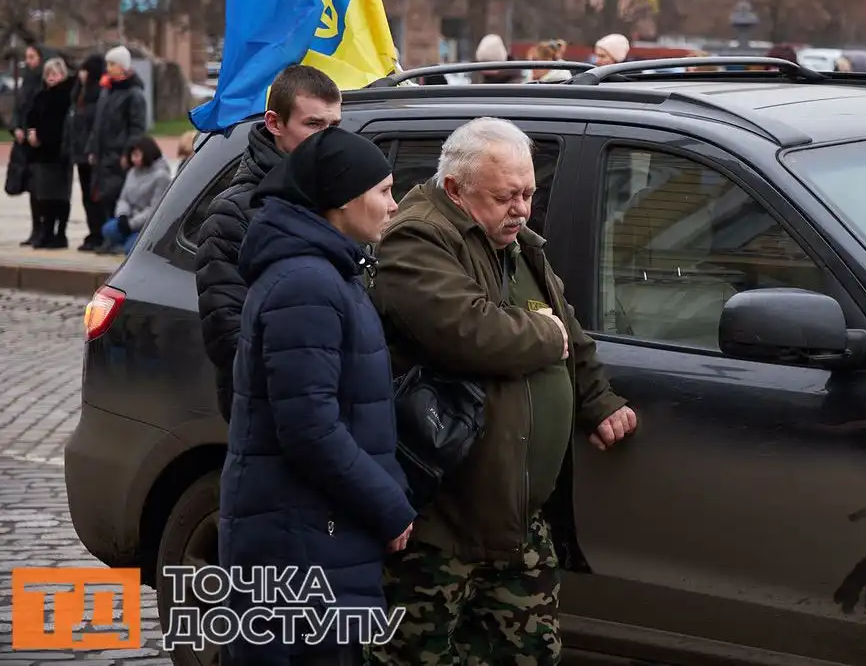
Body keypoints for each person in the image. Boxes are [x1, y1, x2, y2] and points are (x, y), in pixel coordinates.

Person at [368, 117, 636, 666]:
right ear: (455, 189)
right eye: (505, 196)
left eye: (529, 193)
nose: (521, 209)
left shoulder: (515, 243)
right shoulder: (418, 237)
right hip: (442, 522)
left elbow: (570, 328)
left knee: (530, 653)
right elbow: (470, 333)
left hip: (515, 519)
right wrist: (546, 336)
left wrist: (598, 401)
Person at [220, 126, 416, 666]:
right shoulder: (307, 284)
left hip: (319, 528)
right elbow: (310, 427)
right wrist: (387, 504)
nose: (394, 205)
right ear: (341, 198)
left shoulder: (330, 271)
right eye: (384, 191)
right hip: (298, 538)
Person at [195, 65, 342, 423]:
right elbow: (229, 335)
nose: (327, 138)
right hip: (275, 413)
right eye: (313, 124)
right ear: (275, 123)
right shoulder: (234, 212)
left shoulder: (342, 196)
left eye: (334, 126)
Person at [85, 45, 147, 239]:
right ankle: (107, 236)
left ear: (123, 66)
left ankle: (117, 237)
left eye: (112, 64)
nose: (108, 68)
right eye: (108, 64)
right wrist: (92, 149)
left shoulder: (133, 94)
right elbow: (97, 124)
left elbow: (137, 128)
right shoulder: (106, 91)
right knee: (103, 197)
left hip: (119, 155)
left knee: (117, 197)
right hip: (103, 154)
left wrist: (128, 153)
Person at [22, 57, 77, 248]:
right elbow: (31, 117)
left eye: (55, 74)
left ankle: (60, 233)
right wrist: (31, 132)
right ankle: (46, 231)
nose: (51, 77)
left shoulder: (66, 97)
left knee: (60, 196)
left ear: (62, 75)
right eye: (48, 74)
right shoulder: (41, 96)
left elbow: (61, 126)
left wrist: (42, 136)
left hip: (59, 153)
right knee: (44, 196)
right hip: (42, 154)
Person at [99, 135, 171, 256]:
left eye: (137, 155)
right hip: (129, 217)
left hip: (147, 225)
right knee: (108, 229)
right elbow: (124, 198)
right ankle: (122, 242)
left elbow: (155, 209)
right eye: (132, 155)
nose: (133, 159)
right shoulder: (132, 172)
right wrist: (123, 215)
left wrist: (132, 224)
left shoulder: (161, 176)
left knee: (130, 249)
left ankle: (129, 244)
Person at [66, 54, 109, 251]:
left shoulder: (99, 95)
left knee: (95, 196)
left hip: (92, 154)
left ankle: (99, 233)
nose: (81, 74)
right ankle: (93, 231)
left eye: (85, 70)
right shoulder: (79, 95)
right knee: (86, 195)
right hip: (80, 153)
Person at [10, 43, 47, 246]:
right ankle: (35, 229)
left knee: (41, 188)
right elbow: (18, 110)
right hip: (24, 144)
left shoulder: (43, 83)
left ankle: (44, 229)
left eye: (32, 57)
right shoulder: (25, 84)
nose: (29, 61)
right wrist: (16, 128)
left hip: (38, 143)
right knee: (31, 189)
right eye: (27, 57)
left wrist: (35, 131)